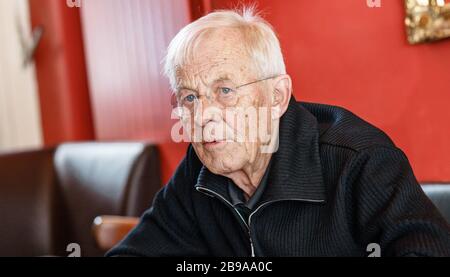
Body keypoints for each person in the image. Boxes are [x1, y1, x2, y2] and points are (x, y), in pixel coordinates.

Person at [107, 8, 450, 257]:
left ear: (277, 96)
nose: (202, 116)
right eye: (190, 97)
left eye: (225, 91)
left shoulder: (359, 161)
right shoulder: (200, 170)